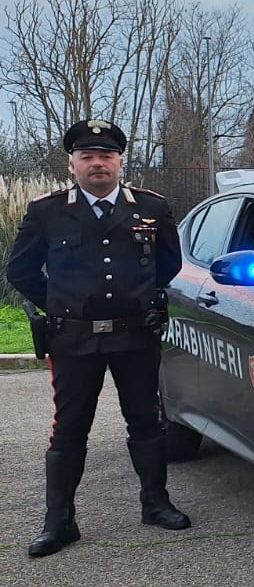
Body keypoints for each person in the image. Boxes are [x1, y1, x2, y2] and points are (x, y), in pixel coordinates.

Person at [7, 119, 190, 558]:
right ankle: (60, 521)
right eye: (87, 156)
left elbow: (169, 264)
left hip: (135, 337)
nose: (97, 164)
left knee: (146, 421)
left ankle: (155, 503)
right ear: (72, 164)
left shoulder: (152, 207)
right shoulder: (47, 212)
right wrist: (62, 304)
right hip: (74, 341)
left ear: (120, 161)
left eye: (106, 156)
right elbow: (20, 270)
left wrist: (139, 298)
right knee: (69, 428)